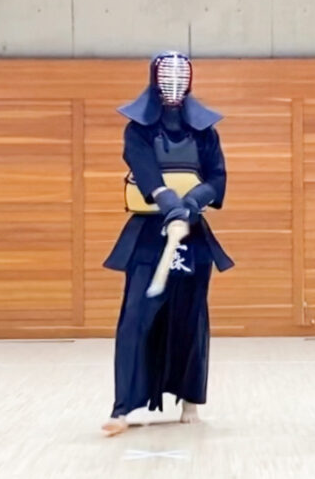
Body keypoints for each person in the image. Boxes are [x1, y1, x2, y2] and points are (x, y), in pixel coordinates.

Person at [100, 51, 234, 437]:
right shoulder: (137, 130)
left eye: (180, 75)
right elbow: (148, 175)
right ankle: (123, 407)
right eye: (166, 75)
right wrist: (170, 204)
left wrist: (191, 203)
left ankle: (190, 399)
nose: (173, 83)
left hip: (192, 236)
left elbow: (217, 178)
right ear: (154, 79)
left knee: (191, 317)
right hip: (147, 234)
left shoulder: (204, 131)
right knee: (136, 317)